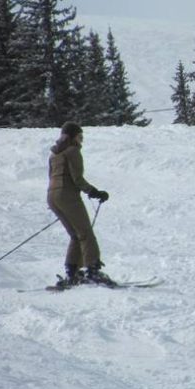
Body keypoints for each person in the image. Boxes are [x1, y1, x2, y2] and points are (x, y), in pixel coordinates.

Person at [48, 121, 113, 288]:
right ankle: (93, 271)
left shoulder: (54, 154)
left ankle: (72, 272)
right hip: (67, 196)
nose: (81, 140)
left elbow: (51, 177)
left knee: (75, 235)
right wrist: (94, 192)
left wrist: (58, 200)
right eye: (80, 137)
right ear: (71, 137)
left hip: (52, 196)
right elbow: (77, 179)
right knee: (86, 233)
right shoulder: (73, 151)